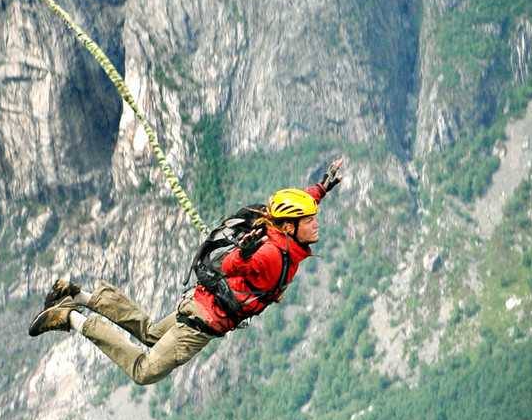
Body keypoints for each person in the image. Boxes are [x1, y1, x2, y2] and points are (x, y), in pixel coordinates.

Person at [28, 158, 344, 384]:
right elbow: (230, 266)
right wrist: (244, 257)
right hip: (201, 323)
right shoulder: (273, 256)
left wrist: (321, 189)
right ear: (290, 227)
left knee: (150, 333)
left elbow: (294, 208)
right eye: (310, 221)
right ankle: (70, 316)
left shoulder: (280, 231)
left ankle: (78, 294)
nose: (316, 224)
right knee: (143, 371)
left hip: (199, 301)